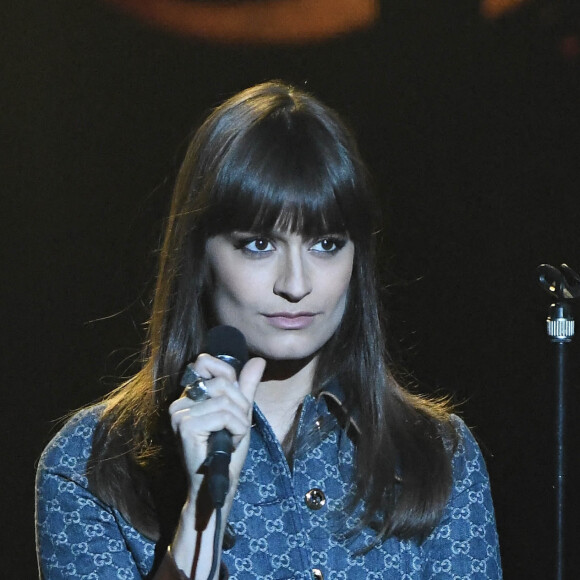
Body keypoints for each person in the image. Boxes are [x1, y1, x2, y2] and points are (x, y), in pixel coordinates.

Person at [35, 81, 502, 579]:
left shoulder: (435, 454)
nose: (296, 284)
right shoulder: (94, 461)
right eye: (259, 244)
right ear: (201, 255)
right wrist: (200, 514)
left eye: (325, 244)